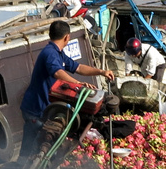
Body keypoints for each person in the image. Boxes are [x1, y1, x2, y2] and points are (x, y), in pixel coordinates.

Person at [20, 19, 115, 150]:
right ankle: (23, 166)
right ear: (67, 37)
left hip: (43, 107)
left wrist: (101, 72)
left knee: (39, 144)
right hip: (36, 108)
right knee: (35, 146)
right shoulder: (50, 53)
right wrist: (78, 84)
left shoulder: (58, 53)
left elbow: (79, 67)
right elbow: (58, 73)